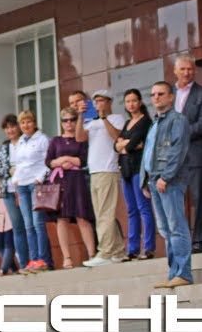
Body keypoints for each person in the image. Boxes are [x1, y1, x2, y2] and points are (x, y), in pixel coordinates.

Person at [141, 82, 195, 288]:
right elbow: (149, 153)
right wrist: (145, 180)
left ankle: (183, 273)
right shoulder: (155, 122)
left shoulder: (178, 120)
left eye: (161, 94)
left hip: (168, 181)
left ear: (171, 97)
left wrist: (166, 176)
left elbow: (177, 151)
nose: (156, 97)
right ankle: (174, 273)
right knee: (165, 229)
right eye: (153, 94)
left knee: (176, 226)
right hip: (154, 181)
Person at [79, 89, 127, 266]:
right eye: (95, 101)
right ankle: (118, 251)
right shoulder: (91, 123)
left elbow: (116, 137)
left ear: (108, 102)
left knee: (105, 214)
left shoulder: (116, 119)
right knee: (102, 214)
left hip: (108, 170)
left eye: (101, 101)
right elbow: (79, 137)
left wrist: (104, 118)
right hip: (94, 171)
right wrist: (80, 116)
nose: (98, 104)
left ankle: (105, 252)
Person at [173, 54, 202, 253]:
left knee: (198, 199)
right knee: (176, 201)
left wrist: (178, 133)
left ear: (194, 70)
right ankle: (180, 242)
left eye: (190, 69)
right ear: (175, 71)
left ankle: (199, 241)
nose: (187, 72)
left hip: (195, 154)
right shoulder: (168, 94)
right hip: (173, 159)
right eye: (183, 69)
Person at [46, 108, 96, 268]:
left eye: (72, 119)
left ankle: (92, 254)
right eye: (65, 120)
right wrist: (62, 161)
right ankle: (67, 257)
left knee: (82, 217)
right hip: (60, 181)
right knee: (62, 218)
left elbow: (83, 160)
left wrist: (66, 158)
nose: (69, 123)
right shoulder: (55, 141)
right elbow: (49, 161)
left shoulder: (81, 139)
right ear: (61, 122)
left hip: (77, 180)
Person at [114, 89, 155, 261]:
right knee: (131, 210)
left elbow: (132, 145)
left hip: (139, 168)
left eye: (134, 101)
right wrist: (126, 144)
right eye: (128, 101)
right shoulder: (127, 123)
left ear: (140, 102)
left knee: (143, 208)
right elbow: (115, 146)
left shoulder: (145, 121)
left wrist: (126, 145)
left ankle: (149, 248)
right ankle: (132, 249)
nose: (131, 104)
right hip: (126, 170)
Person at [9, 111, 52, 272]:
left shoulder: (42, 139)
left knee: (38, 223)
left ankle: (43, 259)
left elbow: (48, 162)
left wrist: (40, 178)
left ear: (34, 122)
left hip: (36, 185)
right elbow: (17, 164)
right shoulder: (20, 141)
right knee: (28, 225)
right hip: (22, 186)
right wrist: (15, 181)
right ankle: (33, 260)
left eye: (28, 122)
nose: (26, 125)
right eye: (22, 123)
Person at [0, 114, 25, 271]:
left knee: (31, 226)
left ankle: (37, 259)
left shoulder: (26, 142)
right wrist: (9, 170)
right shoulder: (4, 147)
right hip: (9, 193)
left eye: (13, 126)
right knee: (17, 228)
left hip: (26, 189)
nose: (10, 130)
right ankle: (24, 263)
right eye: (7, 127)